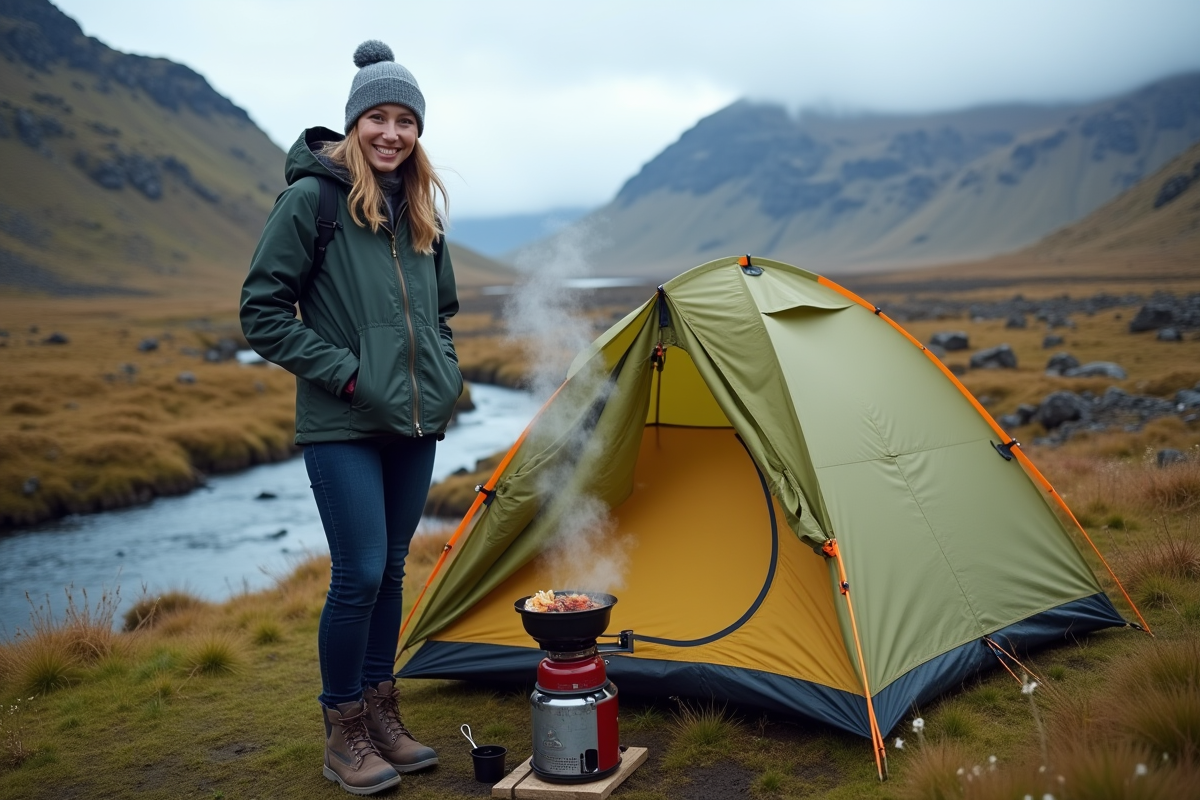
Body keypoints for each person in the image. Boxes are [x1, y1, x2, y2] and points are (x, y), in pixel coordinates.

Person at [240, 40, 461, 796]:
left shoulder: (422, 209)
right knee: (360, 571)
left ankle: (382, 714)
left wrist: (443, 375)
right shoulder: (313, 200)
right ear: (354, 123)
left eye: (406, 121)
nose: (392, 133)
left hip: (414, 423)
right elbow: (262, 313)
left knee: (392, 568)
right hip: (342, 421)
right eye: (378, 118)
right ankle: (344, 733)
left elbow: (441, 313)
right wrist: (348, 374)